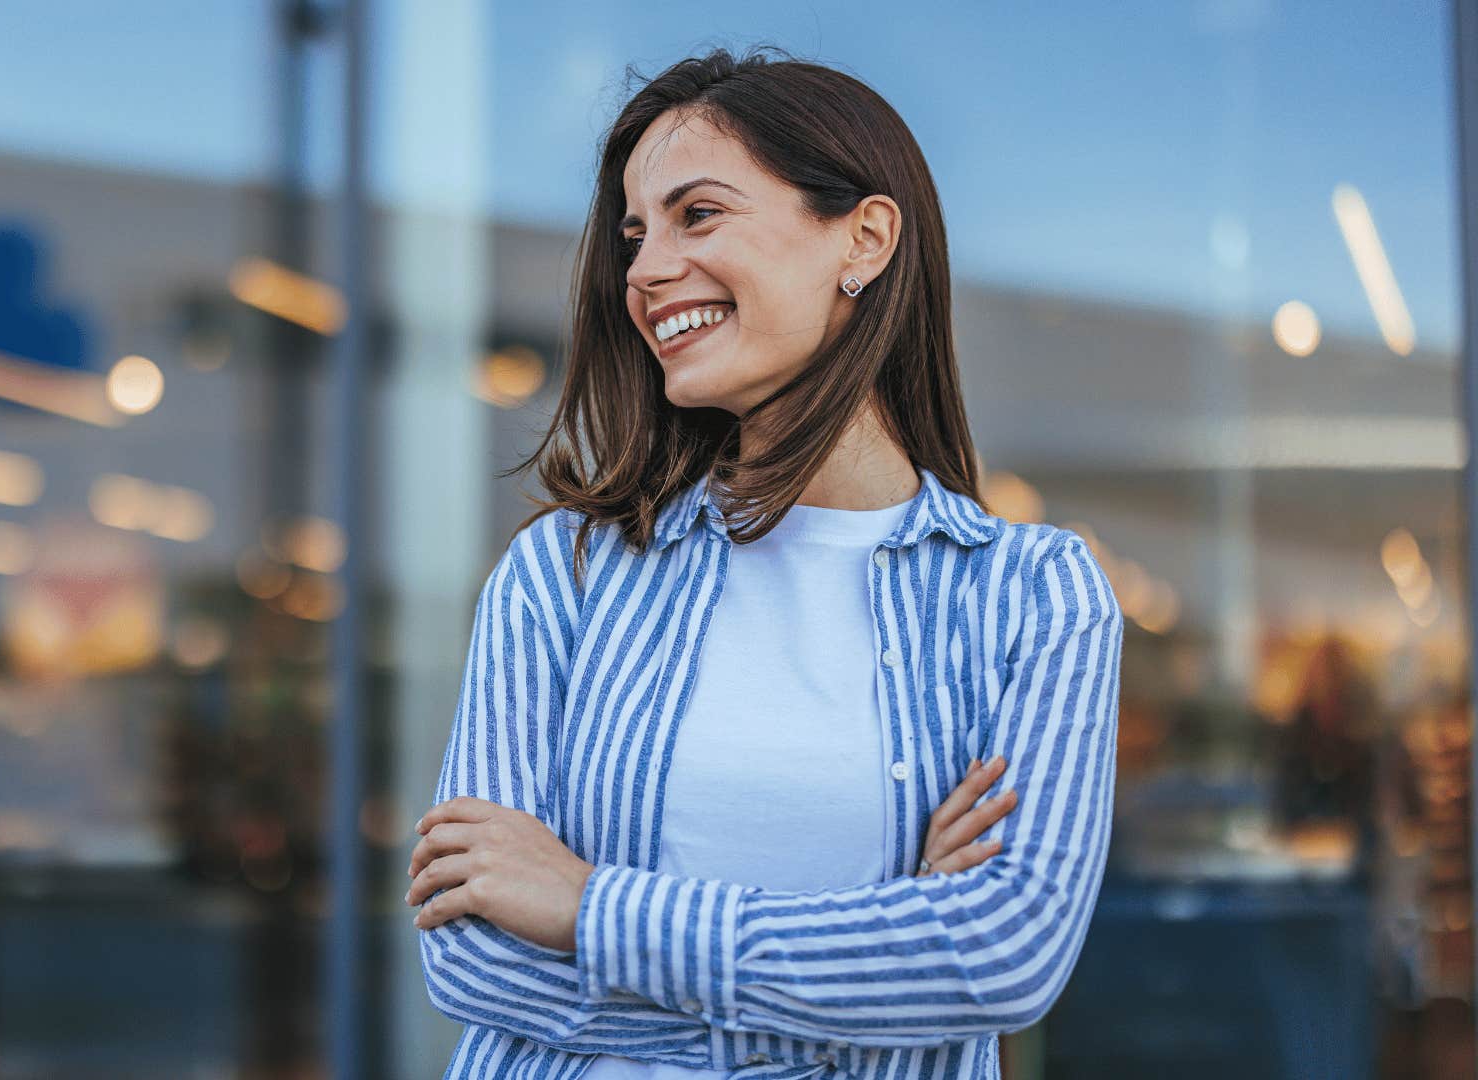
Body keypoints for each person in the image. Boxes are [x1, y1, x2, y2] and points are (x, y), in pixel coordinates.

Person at [406, 45, 1123, 1080]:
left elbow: (999, 957)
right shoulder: (562, 574)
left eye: (699, 215)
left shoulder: (1030, 595)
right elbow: (473, 961)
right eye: (635, 235)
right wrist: (884, 954)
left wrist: (587, 906)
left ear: (865, 240)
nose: (645, 273)